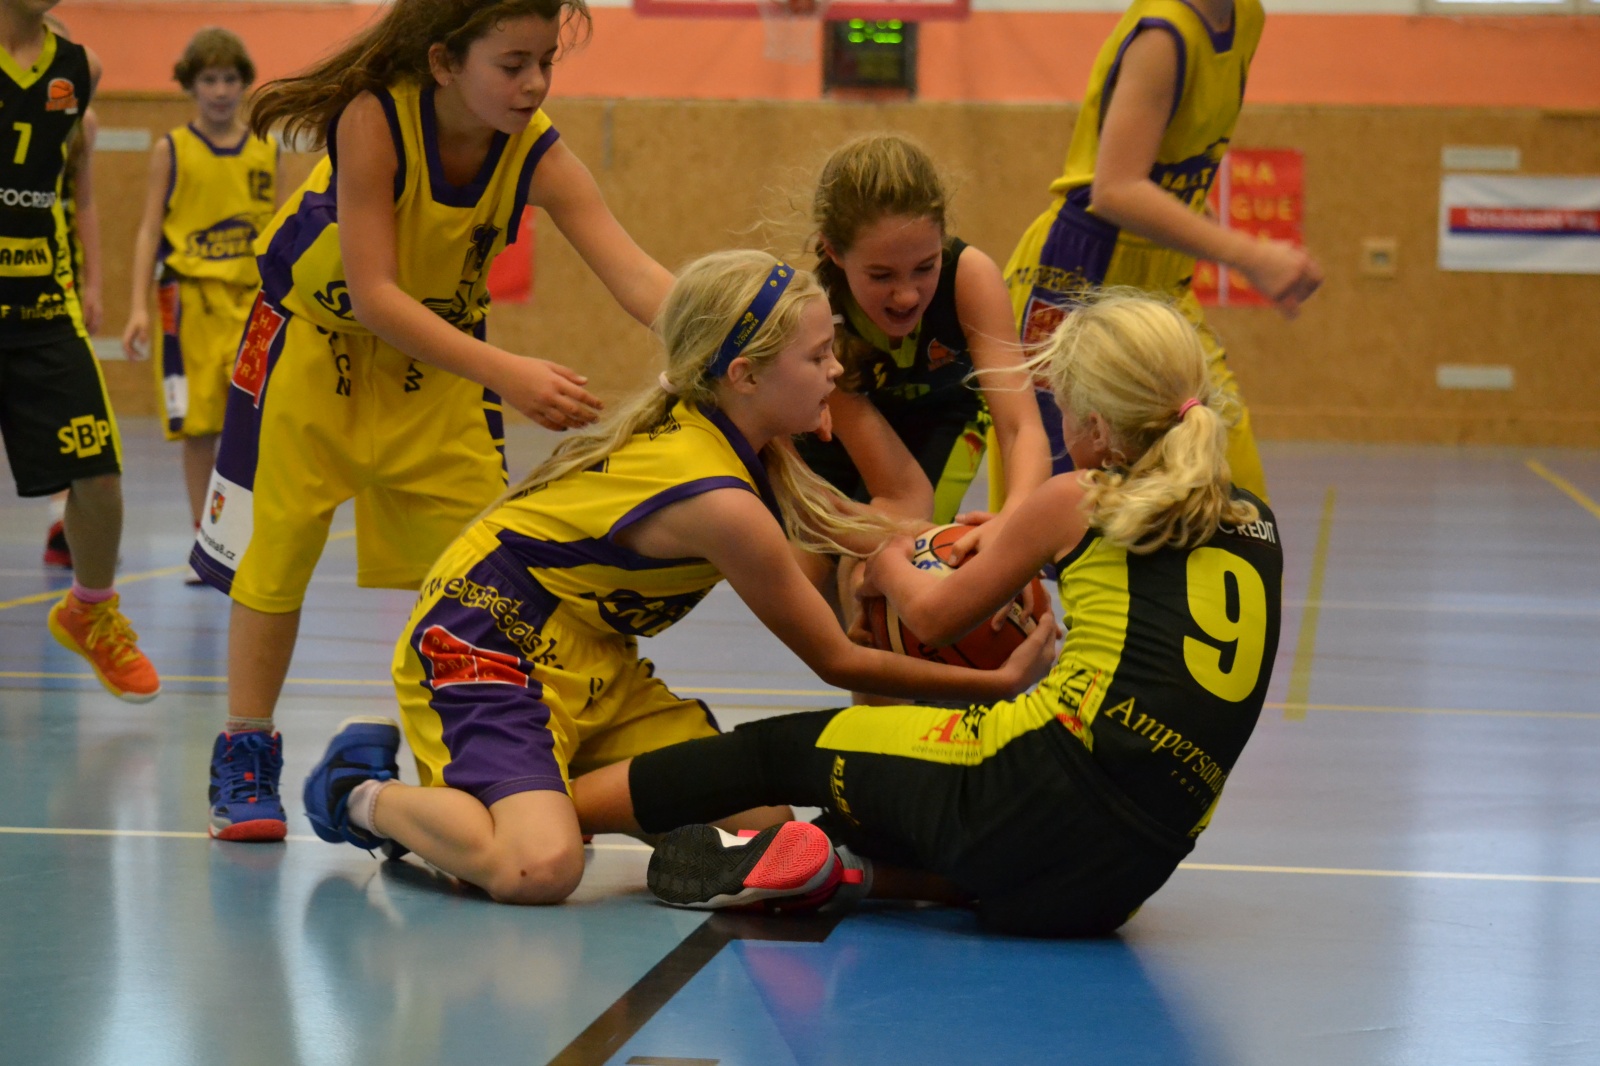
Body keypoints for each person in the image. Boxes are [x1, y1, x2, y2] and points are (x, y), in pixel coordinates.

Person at [300, 251, 1057, 905]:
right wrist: (991, 686)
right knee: (538, 867)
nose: (837, 371)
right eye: (819, 357)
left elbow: (877, 525)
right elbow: (836, 659)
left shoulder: (747, 438)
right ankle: (358, 793)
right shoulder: (720, 501)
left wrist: (978, 542)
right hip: (485, 634)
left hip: (590, 657)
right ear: (745, 375)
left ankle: (523, 800)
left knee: (765, 830)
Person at [629, 290, 1285, 938]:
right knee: (924, 818)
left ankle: (577, 806)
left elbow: (932, 617)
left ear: (1097, 427)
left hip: (1026, 788)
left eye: (1064, 409)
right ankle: (848, 872)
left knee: (778, 752)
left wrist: (887, 556)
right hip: (1114, 886)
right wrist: (1015, 534)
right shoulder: (1253, 521)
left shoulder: (1075, 499)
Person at [192, 0, 675, 842]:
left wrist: (733, 331)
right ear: (445, 62)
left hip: (435, 375)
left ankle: (454, 760)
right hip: (313, 353)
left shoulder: (535, 149)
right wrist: (511, 373)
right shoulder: (375, 118)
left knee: (479, 578)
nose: (534, 83)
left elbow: (634, 273)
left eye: (545, 62)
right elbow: (376, 295)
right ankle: (245, 751)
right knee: (272, 564)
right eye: (513, 64)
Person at [999, 0, 1321, 503]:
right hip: (1080, 273)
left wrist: (1202, 223)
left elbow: (1172, 163)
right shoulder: (1164, 36)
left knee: (1231, 484)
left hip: (1161, 280)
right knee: (1054, 498)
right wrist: (1252, 257)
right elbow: (1116, 189)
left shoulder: (1246, 17)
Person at [1, 0, 160, 702]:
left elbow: (81, 193)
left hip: (44, 308)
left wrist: (94, 283)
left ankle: (89, 611)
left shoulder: (80, 70)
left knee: (98, 477)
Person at [794, 134, 1050, 532]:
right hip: (848, 436)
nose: (907, 295)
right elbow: (890, 482)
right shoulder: (815, 310)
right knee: (809, 562)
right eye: (881, 275)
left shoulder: (970, 277)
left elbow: (1021, 426)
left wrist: (1016, 521)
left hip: (942, 418)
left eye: (926, 267)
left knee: (885, 554)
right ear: (834, 252)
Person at [122, 28, 279, 578]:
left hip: (252, 306)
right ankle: (203, 540)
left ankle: (246, 535)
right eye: (209, 79)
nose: (220, 90)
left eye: (230, 78)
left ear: (244, 84)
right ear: (191, 84)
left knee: (256, 424)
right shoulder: (172, 149)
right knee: (198, 428)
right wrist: (137, 307)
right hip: (188, 304)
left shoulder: (265, 148)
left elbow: (278, 232)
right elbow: (149, 230)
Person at [39, 12, 98, 570]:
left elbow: (86, 204)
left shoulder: (82, 122)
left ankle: (63, 519)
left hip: (57, 276)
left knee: (63, 402)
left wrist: (95, 283)